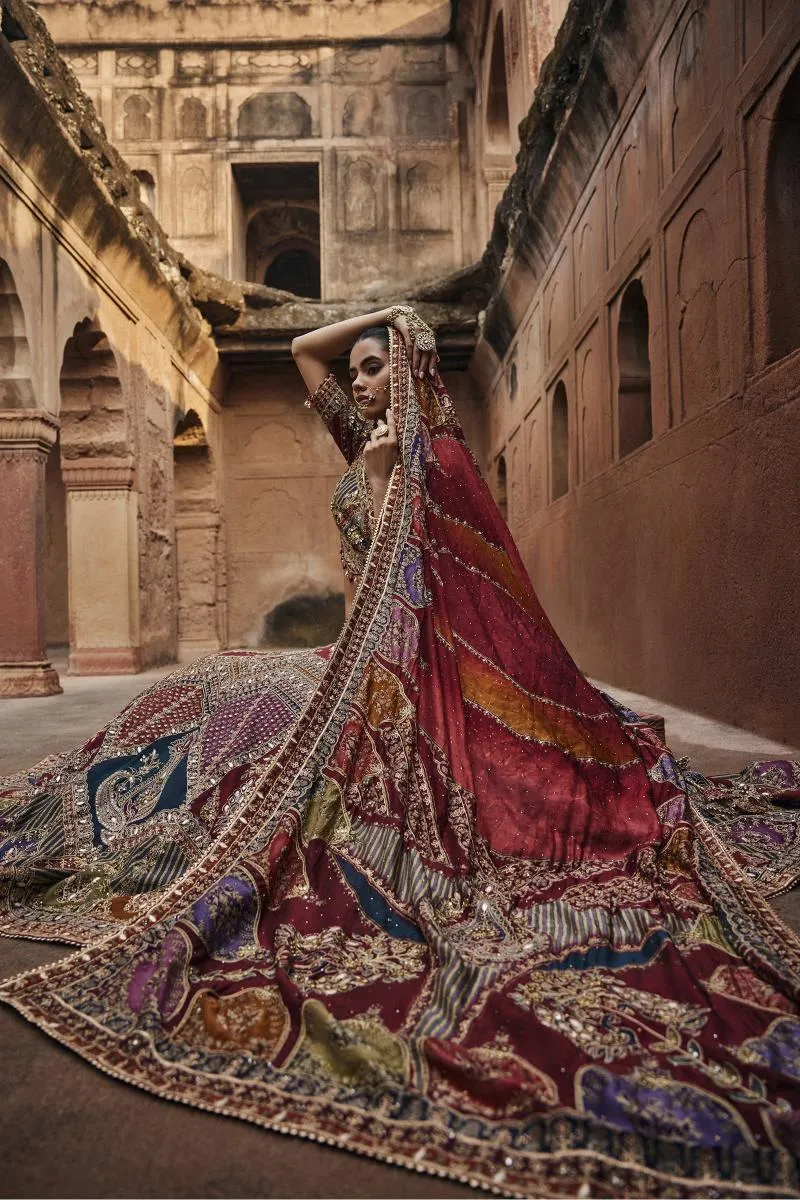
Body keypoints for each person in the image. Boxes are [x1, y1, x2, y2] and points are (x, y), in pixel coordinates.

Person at [1, 306, 799, 1198]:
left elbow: (426, 608)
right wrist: (383, 319)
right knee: (214, 685)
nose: (365, 382)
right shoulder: (364, 432)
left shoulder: (437, 463)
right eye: (365, 371)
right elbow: (309, 353)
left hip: (410, 680)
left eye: (380, 368)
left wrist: (384, 477)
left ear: (416, 375)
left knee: (253, 710)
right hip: (347, 663)